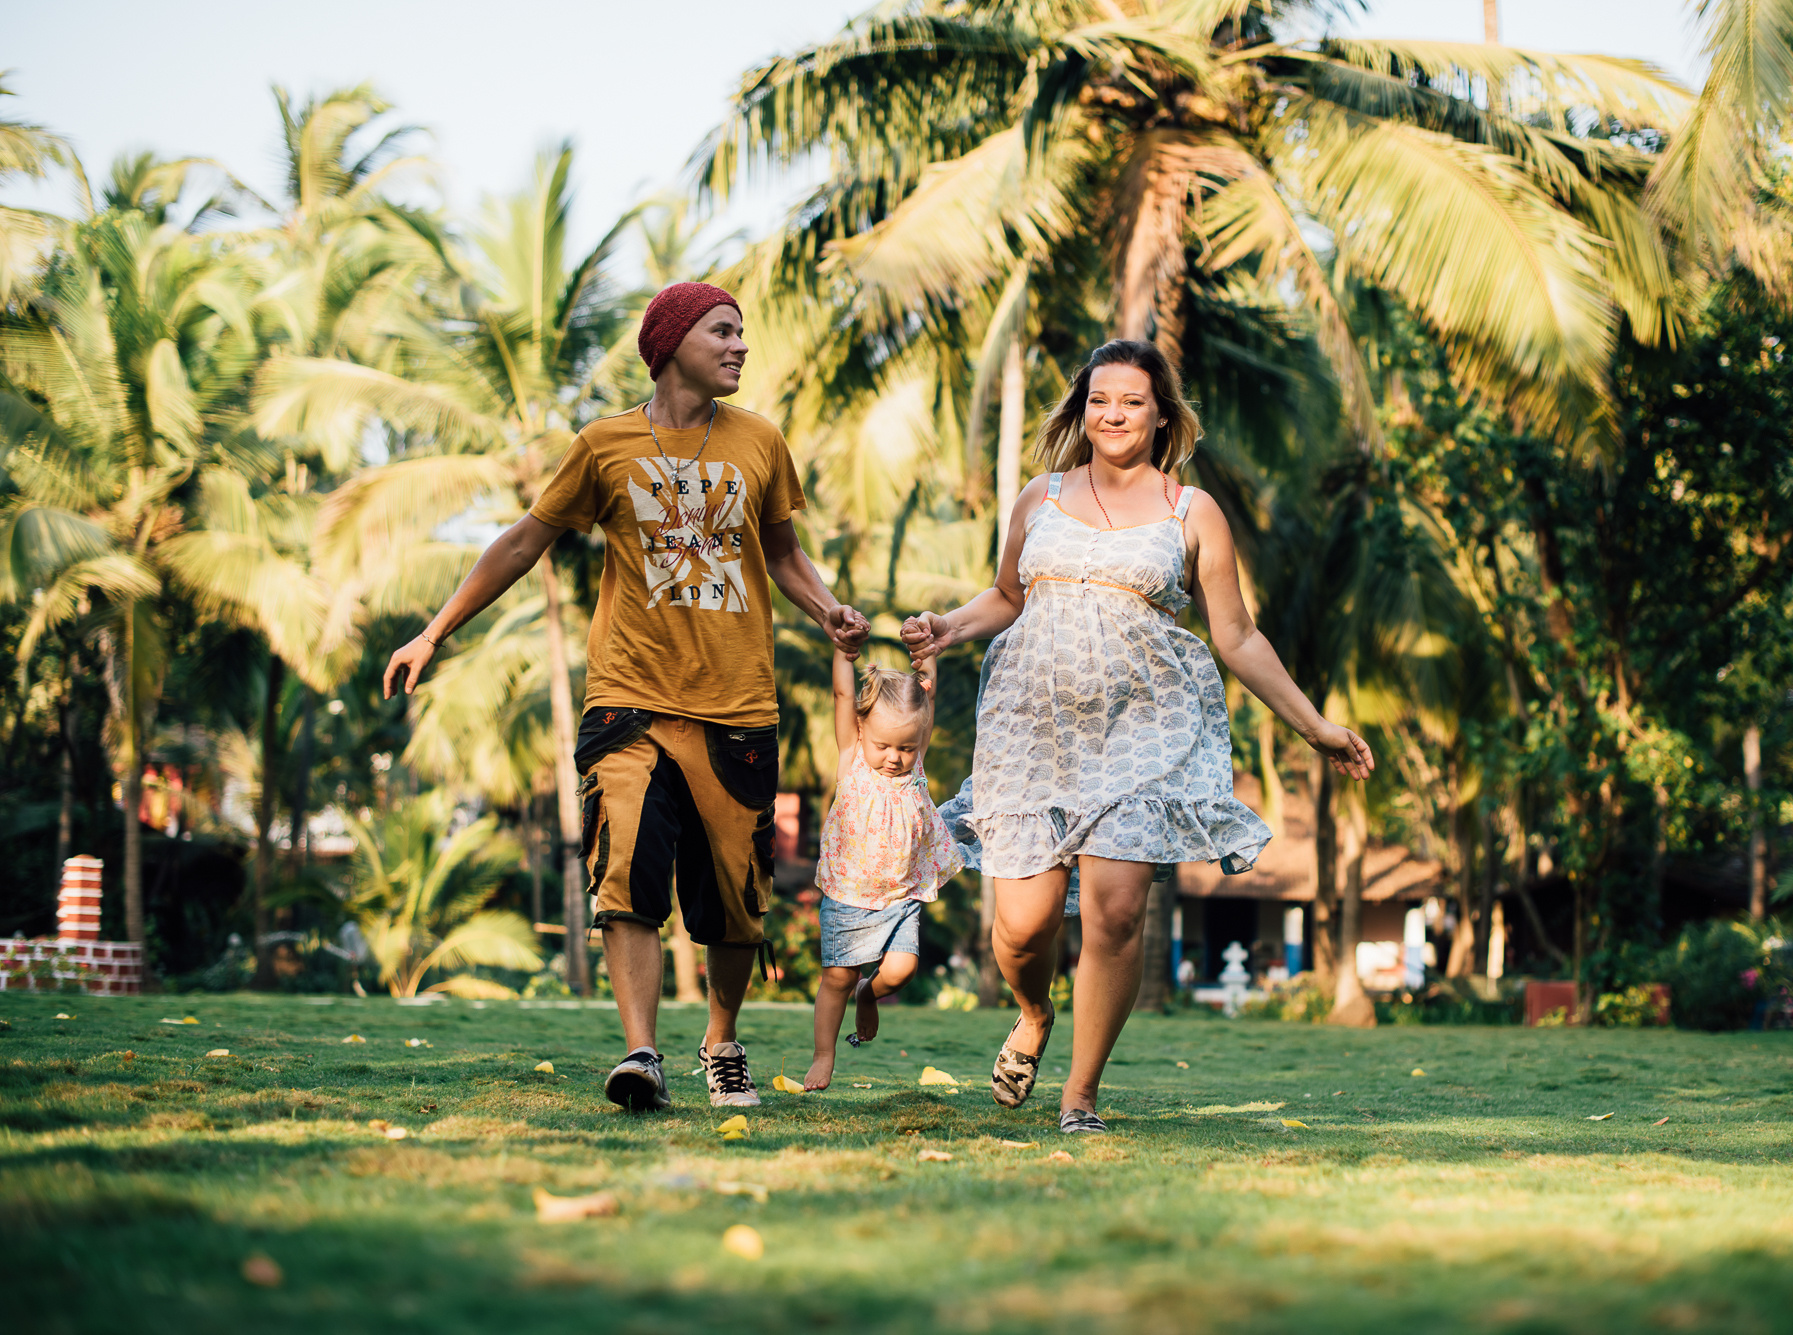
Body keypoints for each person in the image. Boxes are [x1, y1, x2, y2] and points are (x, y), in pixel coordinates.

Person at [382, 281, 869, 1112]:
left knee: (735, 907)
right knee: (626, 878)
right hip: (628, 702)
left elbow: (783, 551)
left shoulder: (759, 442)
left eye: (741, 333)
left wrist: (829, 611)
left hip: (736, 705)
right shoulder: (604, 446)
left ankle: (721, 1042)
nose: (740, 345)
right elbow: (522, 541)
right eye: (723, 331)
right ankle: (642, 1053)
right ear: (673, 340)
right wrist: (434, 631)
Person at [903, 339, 1374, 1135]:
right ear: (1082, 410)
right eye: (1099, 400)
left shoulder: (1194, 512)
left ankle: (1079, 1096)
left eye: (1131, 400)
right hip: (1031, 725)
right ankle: (1032, 1011)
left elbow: (1239, 637)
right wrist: (946, 627)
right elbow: (1007, 595)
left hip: (1143, 730)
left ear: (1162, 415)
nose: (1113, 413)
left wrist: (1316, 724)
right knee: (1021, 927)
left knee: (1119, 913)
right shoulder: (1039, 497)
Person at [803, 655, 963, 1090]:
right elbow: (842, 695)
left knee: (902, 971)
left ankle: (868, 994)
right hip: (849, 895)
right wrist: (841, 654)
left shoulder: (916, 769)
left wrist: (929, 661)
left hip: (901, 895)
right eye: (885, 746)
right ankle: (824, 1054)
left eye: (907, 748)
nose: (895, 757)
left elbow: (927, 704)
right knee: (838, 977)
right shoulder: (853, 762)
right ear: (860, 731)